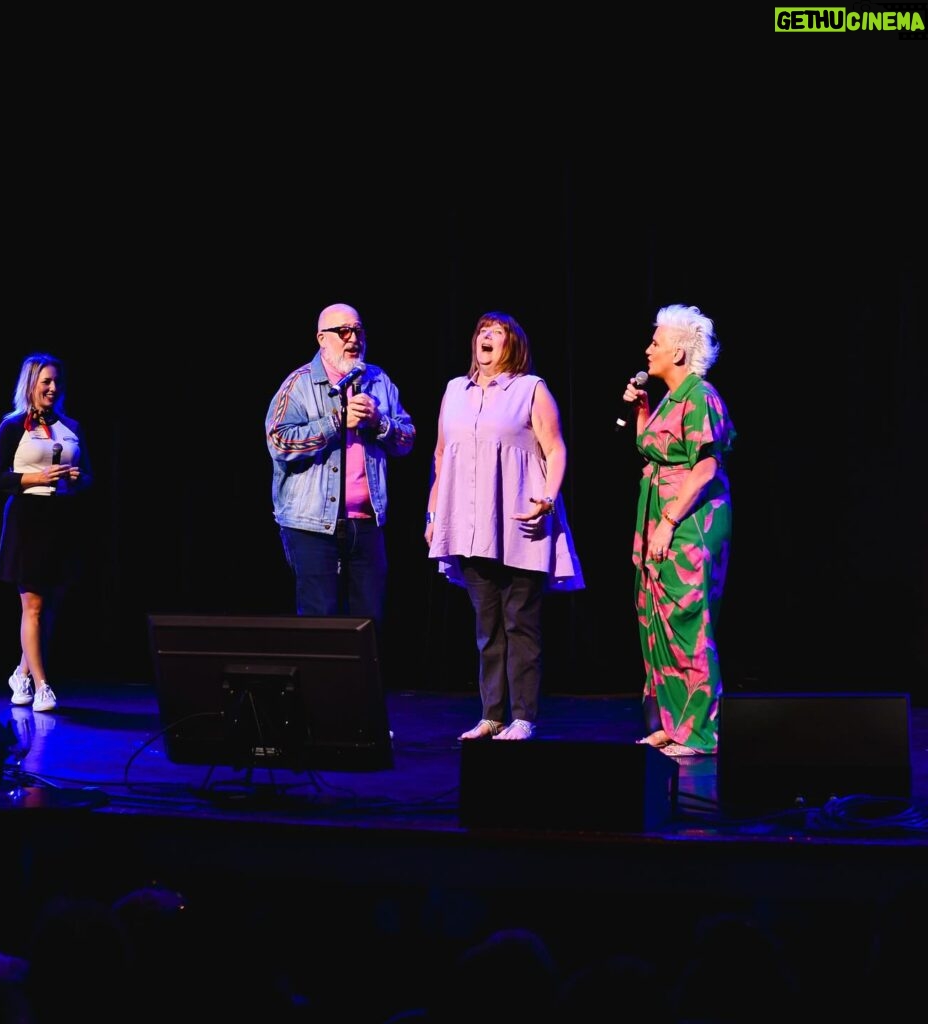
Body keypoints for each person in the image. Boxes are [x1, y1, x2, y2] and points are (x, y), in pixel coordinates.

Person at [426, 311, 584, 741]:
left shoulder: (530, 390)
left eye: (496, 333)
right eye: (481, 331)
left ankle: (524, 716)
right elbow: (441, 456)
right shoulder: (454, 391)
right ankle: (492, 714)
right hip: (470, 525)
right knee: (486, 626)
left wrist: (548, 498)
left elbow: (555, 449)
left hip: (520, 523)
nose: (486, 337)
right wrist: (433, 512)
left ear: (512, 345)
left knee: (520, 623)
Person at [623, 303, 735, 756]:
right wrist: (644, 407)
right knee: (658, 621)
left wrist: (669, 523)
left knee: (688, 620)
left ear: (680, 352)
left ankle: (702, 732)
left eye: (656, 342)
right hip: (659, 515)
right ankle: (673, 724)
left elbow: (705, 465)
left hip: (690, 520)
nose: (649, 348)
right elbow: (650, 445)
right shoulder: (671, 397)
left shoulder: (701, 395)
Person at [266, 303, 416, 631]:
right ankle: (320, 685)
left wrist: (380, 422)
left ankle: (359, 685)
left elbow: (406, 441)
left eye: (358, 330)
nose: (353, 338)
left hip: (366, 524)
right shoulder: (300, 383)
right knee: (320, 623)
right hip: (312, 526)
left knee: (369, 624)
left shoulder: (379, 381)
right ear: (322, 338)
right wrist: (337, 421)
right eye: (343, 331)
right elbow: (278, 441)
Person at [0, 352, 93, 713]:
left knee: (49, 609)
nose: (52, 388)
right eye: (45, 381)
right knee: (32, 607)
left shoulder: (71, 427)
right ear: (31, 384)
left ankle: (21, 673)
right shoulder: (13, 426)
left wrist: (79, 479)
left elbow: (90, 474)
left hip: (61, 519)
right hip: (27, 519)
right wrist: (35, 477)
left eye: (56, 382)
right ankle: (43, 685)